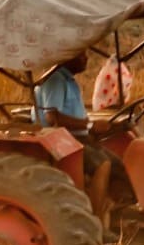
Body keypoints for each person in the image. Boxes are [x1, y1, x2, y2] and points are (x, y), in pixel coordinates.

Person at [36, 51, 114, 225]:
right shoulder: (55, 79)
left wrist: (91, 125)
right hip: (62, 139)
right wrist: (89, 125)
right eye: (80, 54)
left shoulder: (68, 81)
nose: (86, 58)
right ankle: (95, 223)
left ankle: (115, 211)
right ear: (67, 56)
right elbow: (52, 118)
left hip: (78, 136)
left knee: (116, 161)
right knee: (102, 164)